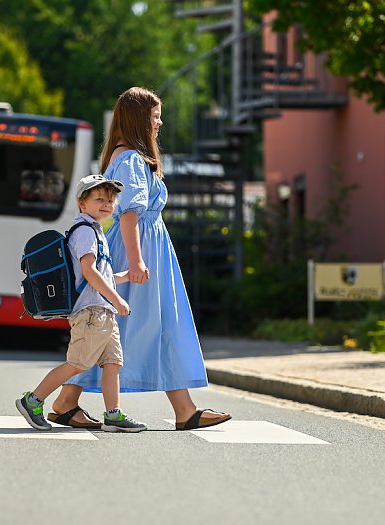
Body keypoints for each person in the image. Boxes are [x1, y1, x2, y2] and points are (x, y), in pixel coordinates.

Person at [49, 86, 232, 431]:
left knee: (152, 326)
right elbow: (130, 214)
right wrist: (135, 261)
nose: (159, 122)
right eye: (154, 116)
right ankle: (64, 401)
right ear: (138, 119)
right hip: (139, 251)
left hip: (148, 250)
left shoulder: (128, 156)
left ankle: (182, 408)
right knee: (117, 327)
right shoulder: (131, 158)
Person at [16, 174, 147, 433]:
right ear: (82, 203)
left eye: (110, 200)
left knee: (113, 363)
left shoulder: (97, 231)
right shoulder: (85, 231)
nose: (106, 204)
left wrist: (126, 277)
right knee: (78, 363)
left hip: (103, 311)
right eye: (99, 199)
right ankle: (32, 401)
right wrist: (117, 298)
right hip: (91, 312)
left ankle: (113, 415)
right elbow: (89, 272)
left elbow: (102, 274)